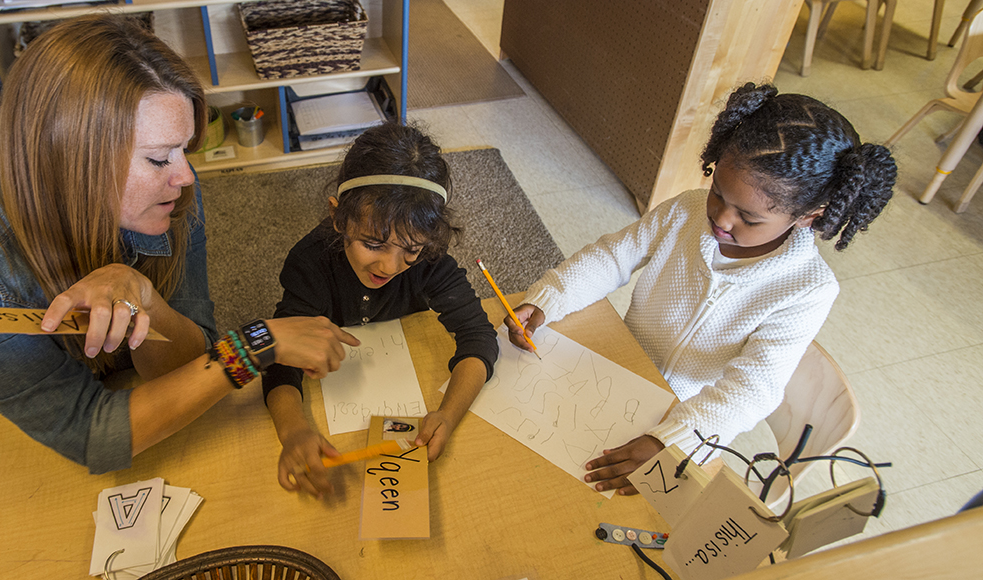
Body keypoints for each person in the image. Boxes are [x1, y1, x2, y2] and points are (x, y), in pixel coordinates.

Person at [0, 14, 357, 474]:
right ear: (66, 154)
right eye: (157, 158)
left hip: (100, 390)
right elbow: (89, 434)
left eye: (182, 149)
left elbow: (189, 360)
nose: (184, 176)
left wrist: (144, 295)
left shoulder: (171, 195)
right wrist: (255, 346)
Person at [505, 82, 897, 495]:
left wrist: (670, 441)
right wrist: (550, 299)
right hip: (617, 371)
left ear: (808, 216)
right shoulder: (687, 210)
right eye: (717, 193)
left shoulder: (807, 290)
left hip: (689, 421)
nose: (721, 219)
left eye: (747, 217)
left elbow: (752, 390)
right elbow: (611, 258)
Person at [264, 123, 499, 497]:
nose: (389, 267)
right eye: (373, 243)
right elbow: (279, 361)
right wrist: (293, 430)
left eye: (410, 249)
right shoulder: (309, 264)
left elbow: (478, 338)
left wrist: (448, 415)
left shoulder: (431, 259)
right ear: (339, 218)